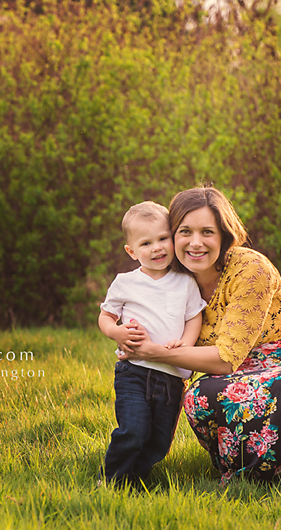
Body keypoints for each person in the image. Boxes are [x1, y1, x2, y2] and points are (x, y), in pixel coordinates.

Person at [118, 185, 281, 487]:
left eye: (207, 232)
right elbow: (138, 320)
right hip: (234, 380)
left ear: (224, 235)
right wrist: (125, 333)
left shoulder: (249, 268)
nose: (196, 243)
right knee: (200, 395)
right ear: (172, 235)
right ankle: (248, 478)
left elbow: (226, 359)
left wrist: (154, 352)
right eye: (185, 231)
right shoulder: (172, 281)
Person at [98, 201, 207, 488]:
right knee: (133, 429)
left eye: (163, 239)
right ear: (131, 251)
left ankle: (136, 478)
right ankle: (112, 481)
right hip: (134, 371)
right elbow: (106, 316)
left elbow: (194, 317)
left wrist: (184, 345)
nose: (157, 248)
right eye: (146, 243)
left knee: (159, 440)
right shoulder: (125, 283)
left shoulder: (185, 282)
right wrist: (116, 333)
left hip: (171, 376)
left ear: (172, 239)